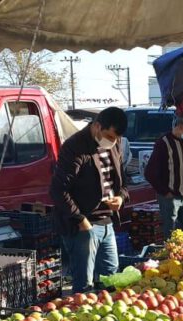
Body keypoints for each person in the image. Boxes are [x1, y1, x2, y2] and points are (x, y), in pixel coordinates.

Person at [50, 107, 129, 293]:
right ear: (97, 126)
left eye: (116, 138)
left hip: (107, 221)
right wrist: (80, 219)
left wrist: (121, 197)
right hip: (83, 226)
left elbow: (123, 182)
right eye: (109, 136)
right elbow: (57, 190)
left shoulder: (115, 145)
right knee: (84, 287)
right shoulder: (75, 147)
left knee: (111, 280)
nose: (113, 142)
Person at [145, 112, 183, 238]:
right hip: (170, 197)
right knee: (171, 231)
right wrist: (165, 192)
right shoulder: (163, 143)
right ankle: (171, 255)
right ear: (180, 126)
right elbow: (150, 173)